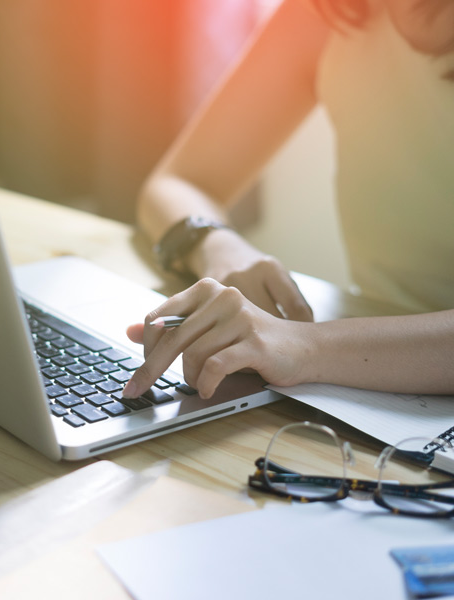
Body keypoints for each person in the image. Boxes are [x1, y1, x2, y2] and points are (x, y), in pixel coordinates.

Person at [122, 0, 454, 400]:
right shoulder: (332, 13)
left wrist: (304, 345)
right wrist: (220, 247)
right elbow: (180, 181)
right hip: (359, 382)